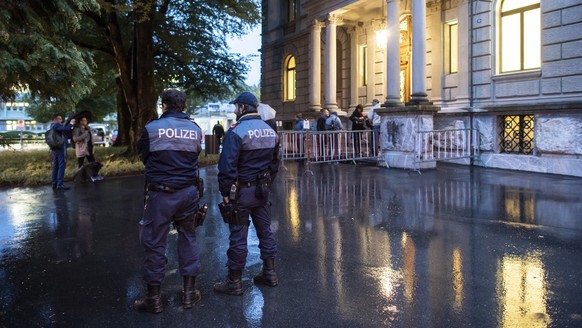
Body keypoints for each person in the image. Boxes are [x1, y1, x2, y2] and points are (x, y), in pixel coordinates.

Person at [135, 89, 204, 313]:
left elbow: (144, 157)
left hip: (161, 194)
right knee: (188, 238)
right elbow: (196, 155)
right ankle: (189, 295)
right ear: (183, 106)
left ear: (163, 105)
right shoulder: (195, 129)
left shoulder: (151, 128)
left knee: (155, 243)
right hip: (188, 193)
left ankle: (153, 300)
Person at [215, 91, 280, 296]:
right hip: (262, 191)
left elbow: (227, 166)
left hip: (241, 192)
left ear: (243, 108)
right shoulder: (270, 131)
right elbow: (275, 163)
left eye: (236, 107)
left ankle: (234, 283)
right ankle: (270, 274)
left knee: (238, 236)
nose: (234, 110)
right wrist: (267, 184)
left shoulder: (236, 131)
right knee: (265, 232)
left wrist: (226, 191)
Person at [72, 116, 103, 181]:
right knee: (81, 164)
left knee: (93, 162)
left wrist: (92, 144)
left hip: (89, 148)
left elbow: (90, 137)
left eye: (86, 120)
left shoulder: (87, 128)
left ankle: (94, 176)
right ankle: (79, 178)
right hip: (82, 148)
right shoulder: (77, 129)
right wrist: (85, 134)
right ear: (80, 121)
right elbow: (75, 139)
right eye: (84, 120)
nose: (85, 122)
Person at [49, 114, 74, 190]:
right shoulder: (56, 125)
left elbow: (66, 131)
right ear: (56, 119)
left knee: (56, 165)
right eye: (60, 119)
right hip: (60, 148)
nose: (61, 121)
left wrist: (70, 127)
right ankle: (60, 184)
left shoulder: (52, 126)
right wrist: (71, 123)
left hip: (55, 148)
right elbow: (65, 129)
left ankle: (54, 183)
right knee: (61, 165)